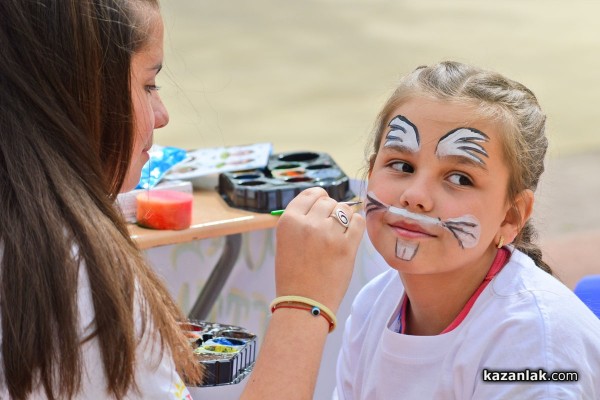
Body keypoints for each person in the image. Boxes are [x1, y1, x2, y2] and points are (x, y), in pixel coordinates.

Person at [0, 1, 364, 399]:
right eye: (148, 85)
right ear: (82, 92)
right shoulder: (78, 279)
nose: (162, 114)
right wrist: (304, 302)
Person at [334, 61, 600, 399]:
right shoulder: (374, 302)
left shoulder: (534, 347)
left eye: (460, 178)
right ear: (371, 174)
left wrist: (302, 305)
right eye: (401, 166)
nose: (414, 196)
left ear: (511, 216)